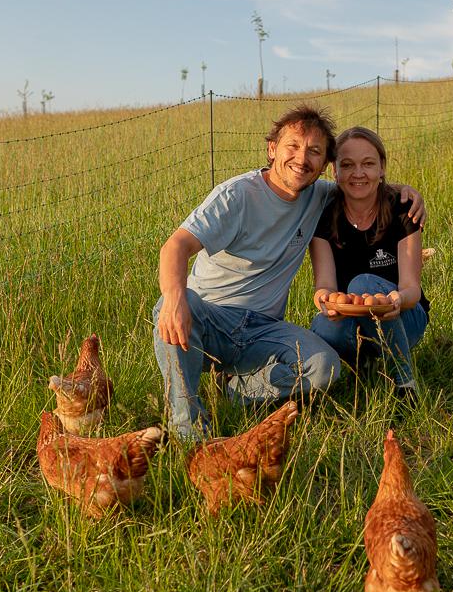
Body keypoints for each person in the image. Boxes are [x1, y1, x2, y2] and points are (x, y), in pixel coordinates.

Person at [153, 105, 424, 441]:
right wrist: (175, 298)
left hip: (264, 328)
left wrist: (405, 192)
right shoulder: (236, 196)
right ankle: (188, 429)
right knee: (171, 304)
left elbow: (361, 183)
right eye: (292, 146)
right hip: (210, 318)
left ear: (324, 165)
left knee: (324, 367)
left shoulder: (318, 196)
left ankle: (239, 390)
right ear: (272, 149)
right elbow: (174, 247)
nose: (301, 159)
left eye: (314, 151)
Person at [310, 126, 428, 395]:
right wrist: (326, 301)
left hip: (405, 317)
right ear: (335, 171)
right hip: (351, 318)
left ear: (382, 168)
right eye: (347, 165)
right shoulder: (323, 216)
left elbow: (412, 290)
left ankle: (404, 384)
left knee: (362, 283)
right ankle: (362, 363)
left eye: (368, 164)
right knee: (323, 326)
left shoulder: (403, 209)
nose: (358, 173)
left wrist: (396, 300)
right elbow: (324, 285)